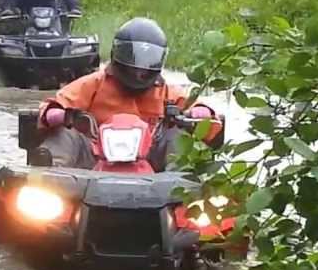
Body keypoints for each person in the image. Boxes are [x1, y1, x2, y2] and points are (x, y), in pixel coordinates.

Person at [33, 17, 219, 171]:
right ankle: (49, 179)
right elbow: (56, 103)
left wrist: (202, 111)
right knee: (65, 134)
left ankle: (182, 189)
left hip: (153, 163)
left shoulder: (166, 91)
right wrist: (57, 114)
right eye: (134, 59)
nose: (140, 70)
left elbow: (197, 108)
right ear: (118, 54)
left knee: (178, 135)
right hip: (95, 159)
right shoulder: (94, 84)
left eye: (148, 60)